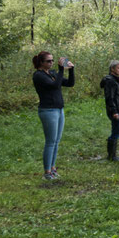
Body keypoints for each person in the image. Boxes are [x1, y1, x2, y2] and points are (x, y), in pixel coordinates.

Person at [32, 51, 75, 180]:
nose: (51, 63)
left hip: (58, 109)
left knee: (56, 141)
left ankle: (52, 168)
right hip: (48, 110)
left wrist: (71, 70)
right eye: (48, 61)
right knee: (50, 142)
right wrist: (61, 69)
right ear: (41, 62)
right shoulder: (38, 75)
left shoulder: (52, 73)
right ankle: (47, 172)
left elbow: (69, 83)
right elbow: (55, 85)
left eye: (52, 61)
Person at [100, 60, 119, 161]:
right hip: (116, 110)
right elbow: (110, 98)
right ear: (112, 69)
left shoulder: (115, 79)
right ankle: (112, 156)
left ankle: (113, 155)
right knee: (116, 132)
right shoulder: (110, 81)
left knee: (116, 131)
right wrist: (114, 111)